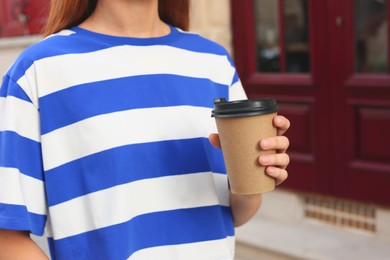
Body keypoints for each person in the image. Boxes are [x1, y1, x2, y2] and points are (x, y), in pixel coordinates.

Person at [0, 0, 290, 259]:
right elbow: (7, 236)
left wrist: (258, 173)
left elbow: (236, 212)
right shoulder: (38, 71)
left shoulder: (214, 62)